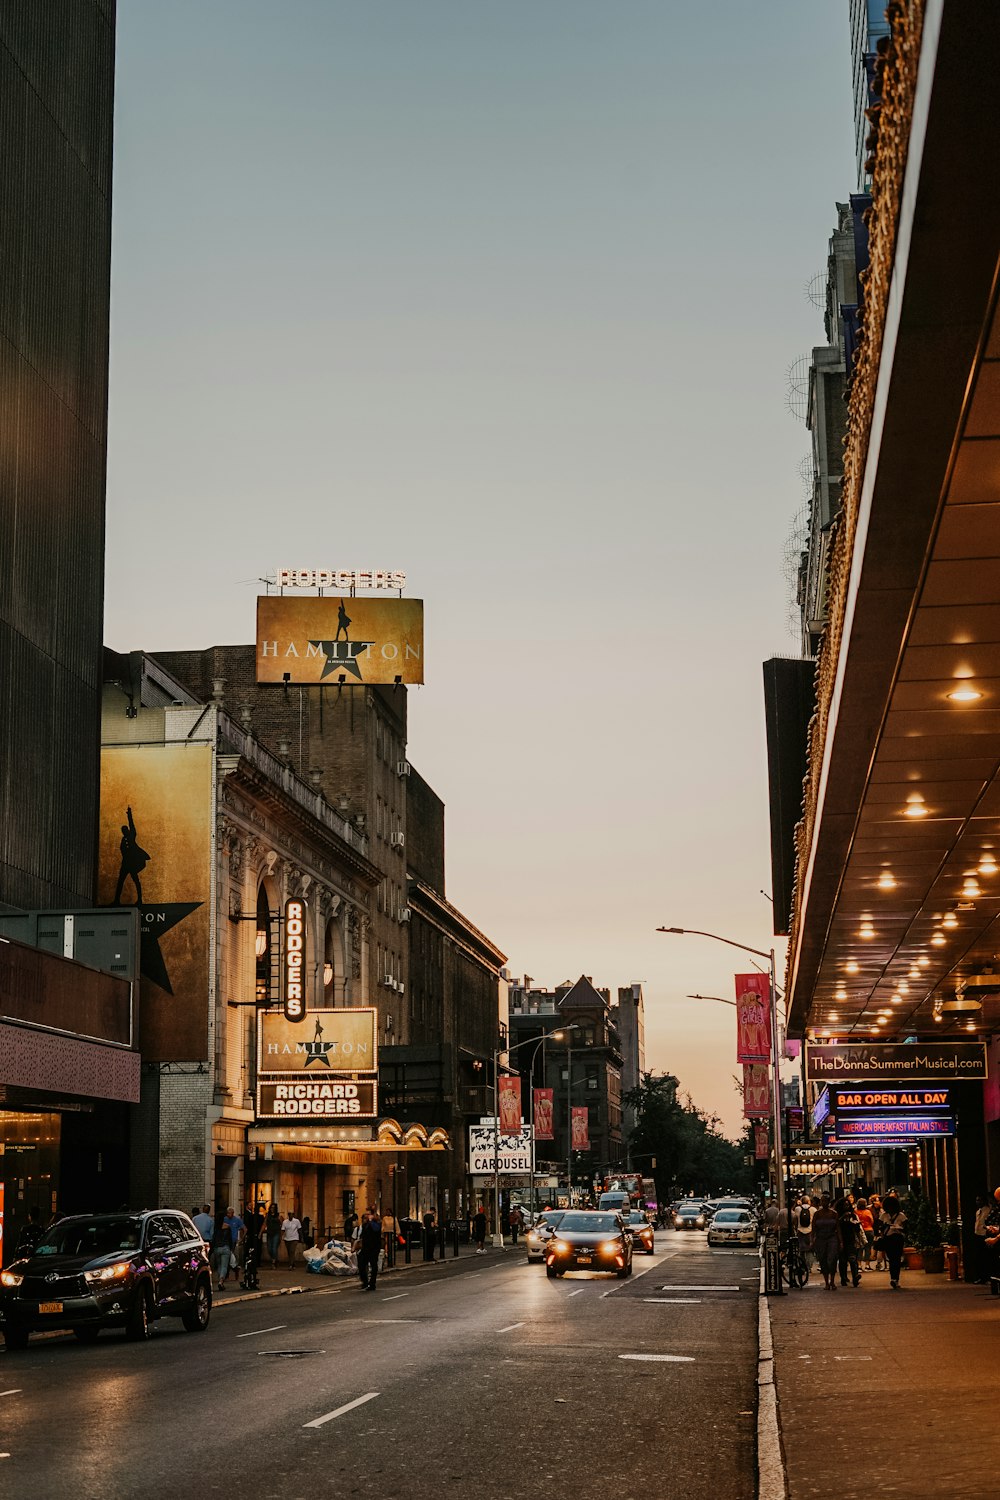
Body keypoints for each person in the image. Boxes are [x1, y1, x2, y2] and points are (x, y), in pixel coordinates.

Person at [811, 1193, 841, 1291]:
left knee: (831, 1259)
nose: (825, 1203)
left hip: (832, 1238)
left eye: (826, 1201)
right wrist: (812, 1240)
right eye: (823, 1201)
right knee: (823, 1259)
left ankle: (832, 1281)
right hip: (821, 1238)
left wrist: (840, 1241)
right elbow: (813, 1228)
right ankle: (827, 1282)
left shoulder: (834, 1213)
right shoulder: (817, 1214)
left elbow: (838, 1228)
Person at [878, 1192, 907, 1290]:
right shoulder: (884, 1215)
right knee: (892, 1259)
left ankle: (895, 1279)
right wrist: (884, 1227)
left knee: (896, 1259)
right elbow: (878, 1227)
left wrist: (900, 1228)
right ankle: (893, 1278)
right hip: (888, 1238)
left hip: (897, 1238)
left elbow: (907, 1228)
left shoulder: (901, 1215)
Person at [836, 1197, 863, 1287]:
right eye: (844, 1205)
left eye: (848, 1205)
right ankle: (843, 1278)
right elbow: (836, 1225)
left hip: (850, 1239)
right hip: (841, 1239)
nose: (846, 1207)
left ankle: (855, 1277)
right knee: (843, 1260)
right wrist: (843, 1218)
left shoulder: (853, 1215)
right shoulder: (838, 1215)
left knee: (852, 1259)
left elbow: (857, 1229)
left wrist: (856, 1224)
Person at [357, 1208, 384, 1292]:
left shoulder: (377, 1223)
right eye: (366, 1214)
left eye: (369, 1214)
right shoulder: (366, 1224)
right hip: (365, 1248)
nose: (367, 1216)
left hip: (374, 1248)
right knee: (361, 1264)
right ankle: (365, 1282)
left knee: (373, 1265)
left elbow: (376, 1229)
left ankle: (372, 1284)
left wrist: (371, 1221)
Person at [241, 1203, 264, 1290]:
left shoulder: (251, 1217)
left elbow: (246, 1226)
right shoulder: (259, 1217)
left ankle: (251, 1265)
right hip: (255, 1236)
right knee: (257, 1250)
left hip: (251, 1236)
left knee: (250, 1250)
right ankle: (255, 1264)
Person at [210, 1211, 232, 1290]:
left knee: (219, 1265)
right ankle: (221, 1280)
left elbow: (213, 1238)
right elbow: (230, 1239)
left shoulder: (216, 1227)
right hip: (225, 1247)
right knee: (224, 1266)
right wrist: (231, 1248)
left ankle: (220, 1279)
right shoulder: (227, 1227)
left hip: (217, 1248)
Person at [794, 1196, 813, 1270]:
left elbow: (795, 1220)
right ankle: (809, 1267)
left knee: (801, 1250)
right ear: (808, 1201)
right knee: (810, 1250)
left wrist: (796, 1228)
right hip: (810, 1231)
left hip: (800, 1231)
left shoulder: (797, 1209)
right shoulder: (813, 1209)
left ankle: (802, 1265)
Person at [855, 1197, 875, 1270]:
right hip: (869, 1230)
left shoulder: (855, 1211)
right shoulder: (868, 1211)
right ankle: (867, 1265)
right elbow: (872, 1221)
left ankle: (859, 1265)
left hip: (859, 1231)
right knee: (868, 1248)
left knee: (859, 1248)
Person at [869, 1194, 886, 1270]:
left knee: (880, 1246)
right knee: (875, 1245)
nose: (879, 1203)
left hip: (880, 1229)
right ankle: (874, 1259)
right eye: (877, 1201)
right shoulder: (870, 1209)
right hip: (873, 1229)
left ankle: (879, 1262)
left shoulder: (882, 1210)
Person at [264, 1204, 281, 1268]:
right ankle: (275, 1259)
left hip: (276, 1233)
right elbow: (264, 1224)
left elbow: (281, 1224)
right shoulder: (268, 1215)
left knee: (274, 1248)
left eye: (273, 1208)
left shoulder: (278, 1216)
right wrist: (260, 1232)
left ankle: (273, 1262)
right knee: (269, 1249)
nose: (272, 1209)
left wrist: (281, 1234)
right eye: (271, 1207)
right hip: (269, 1233)